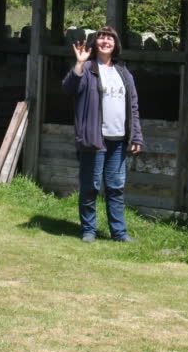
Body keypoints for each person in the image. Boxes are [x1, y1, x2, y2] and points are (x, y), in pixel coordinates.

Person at [61, 26, 143, 243]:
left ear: (115, 44)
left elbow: (133, 106)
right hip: (94, 139)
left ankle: (119, 233)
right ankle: (89, 230)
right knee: (90, 187)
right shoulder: (87, 68)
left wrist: (136, 136)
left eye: (110, 38)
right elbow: (69, 88)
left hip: (118, 140)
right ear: (95, 43)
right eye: (102, 38)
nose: (106, 41)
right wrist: (79, 63)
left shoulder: (124, 72)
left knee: (116, 188)